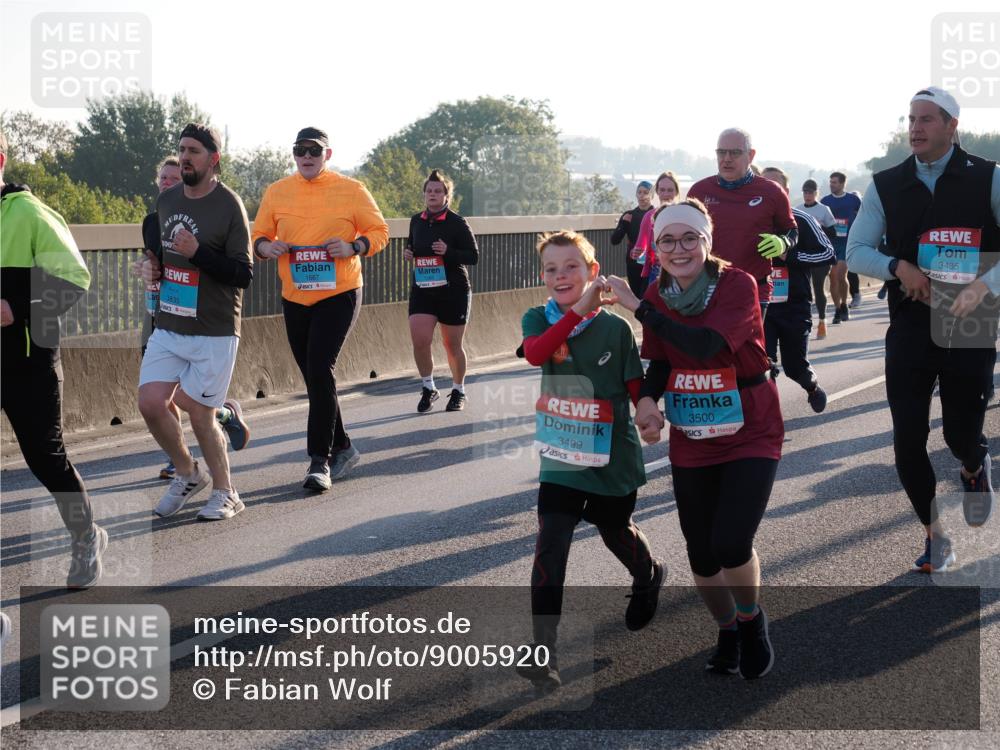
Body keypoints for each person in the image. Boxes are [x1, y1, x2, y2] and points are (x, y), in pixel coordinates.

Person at [609, 198, 783, 679]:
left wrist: (639, 306)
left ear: (708, 241)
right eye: (667, 240)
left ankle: (750, 622)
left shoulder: (737, 285)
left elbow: (707, 344)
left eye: (690, 237)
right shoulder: (659, 294)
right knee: (701, 552)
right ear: (655, 247)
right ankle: (726, 628)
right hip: (693, 431)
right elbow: (663, 359)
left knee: (731, 542)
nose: (679, 248)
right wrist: (646, 402)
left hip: (751, 425)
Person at [848, 87, 1000, 572]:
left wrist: (984, 287)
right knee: (907, 439)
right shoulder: (885, 183)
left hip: (971, 321)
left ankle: (974, 467)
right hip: (911, 324)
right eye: (911, 119)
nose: (915, 127)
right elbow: (855, 251)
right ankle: (936, 535)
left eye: (927, 119)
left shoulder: (989, 177)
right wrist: (899, 268)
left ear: (953, 126)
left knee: (960, 434)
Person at [515, 230, 663, 692]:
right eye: (552, 269)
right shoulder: (537, 318)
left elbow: (633, 380)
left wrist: (645, 408)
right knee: (551, 541)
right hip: (562, 454)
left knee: (614, 531)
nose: (561, 276)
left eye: (571, 267)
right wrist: (577, 310)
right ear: (543, 277)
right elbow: (537, 353)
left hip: (611, 453)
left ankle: (648, 573)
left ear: (593, 273)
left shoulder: (615, 328)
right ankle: (544, 652)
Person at [253, 127, 389, 492]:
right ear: (294, 154)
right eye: (300, 150)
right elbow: (259, 237)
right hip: (296, 295)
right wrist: (266, 249)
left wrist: (354, 246)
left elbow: (380, 231)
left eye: (314, 150)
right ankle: (343, 445)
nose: (307, 156)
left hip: (340, 292)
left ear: (327, 154)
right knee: (315, 377)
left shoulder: (352, 189)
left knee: (319, 366)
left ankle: (320, 460)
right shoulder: (277, 191)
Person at [0, 130, 107, 587]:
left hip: (28, 360)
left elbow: (75, 278)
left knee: (46, 459)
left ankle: (86, 537)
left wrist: (17, 309)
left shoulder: (26, 212)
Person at [136, 123, 252, 521]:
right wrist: (153, 267)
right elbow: (166, 258)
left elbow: (243, 274)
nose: (185, 157)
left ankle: (227, 492)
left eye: (193, 152)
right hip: (170, 322)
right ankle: (187, 472)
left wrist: (199, 252)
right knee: (151, 403)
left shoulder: (229, 205)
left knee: (198, 414)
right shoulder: (166, 200)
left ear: (213, 159)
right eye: (182, 150)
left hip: (214, 329)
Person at [687, 128, 797, 315]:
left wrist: (783, 242)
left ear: (751, 155)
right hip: (707, 287)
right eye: (721, 152)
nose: (727, 158)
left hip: (755, 288)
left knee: (746, 345)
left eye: (735, 152)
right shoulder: (699, 191)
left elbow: (791, 231)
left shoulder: (772, 191)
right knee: (709, 344)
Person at [403, 170, 479, 413]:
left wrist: (448, 251)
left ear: (447, 196)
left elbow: (473, 256)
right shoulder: (417, 220)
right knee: (420, 340)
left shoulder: (457, 223)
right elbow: (412, 245)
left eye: (438, 191)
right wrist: (408, 253)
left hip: (453, 291)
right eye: (429, 191)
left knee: (452, 345)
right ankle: (428, 387)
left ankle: (458, 390)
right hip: (423, 289)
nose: (432, 195)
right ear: (424, 194)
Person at [761, 168, 836, 412]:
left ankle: (812, 386)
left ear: (785, 191)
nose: (771, 191)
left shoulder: (800, 219)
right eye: (765, 186)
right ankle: (766, 417)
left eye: (776, 187)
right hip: (762, 306)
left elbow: (828, 253)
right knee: (762, 363)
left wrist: (789, 254)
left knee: (794, 366)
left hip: (795, 304)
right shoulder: (751, 222)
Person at [796, 178, 839, 339]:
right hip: (803, 255)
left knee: (818, 286)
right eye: (805, 192)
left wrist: (817, 229)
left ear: (816, 193)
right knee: (804, 288)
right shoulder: (797, 210)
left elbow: (833, 233)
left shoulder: (824, 210)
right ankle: (804, 322)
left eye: (811, 193)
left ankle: (822, 320)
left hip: (820, 255)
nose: (808, 195)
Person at [822, 171, 863, 322]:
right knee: (833, 277)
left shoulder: (853, 200)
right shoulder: (825, 201)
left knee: (840, 275)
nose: (831, 185)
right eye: (830, 182)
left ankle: (845, 303)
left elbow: (864, 217)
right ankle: (838, 309)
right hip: (831, 243)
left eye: (834, 182)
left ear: (842, 183)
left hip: (847, 242)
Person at [611, 181, 655, 297]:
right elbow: (614, 240)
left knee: (648, 296)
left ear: (652, 195)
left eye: (646, 192)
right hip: (633, 263)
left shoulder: (656, 214)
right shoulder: (629, 215)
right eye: (639, 192)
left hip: (652, 262)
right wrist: (624, 224)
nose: (642, 195)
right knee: (636, 298)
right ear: (636, 194)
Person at [637, 171, 681, 285]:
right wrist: (636, 252)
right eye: (662, 190)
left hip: (681, 269)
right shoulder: (649, 216)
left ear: (676, 192)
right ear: (657, 192)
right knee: (653, 303)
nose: (666, 194)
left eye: (670, 190)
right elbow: (640, 247)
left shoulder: (685, 215)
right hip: (656, 271)